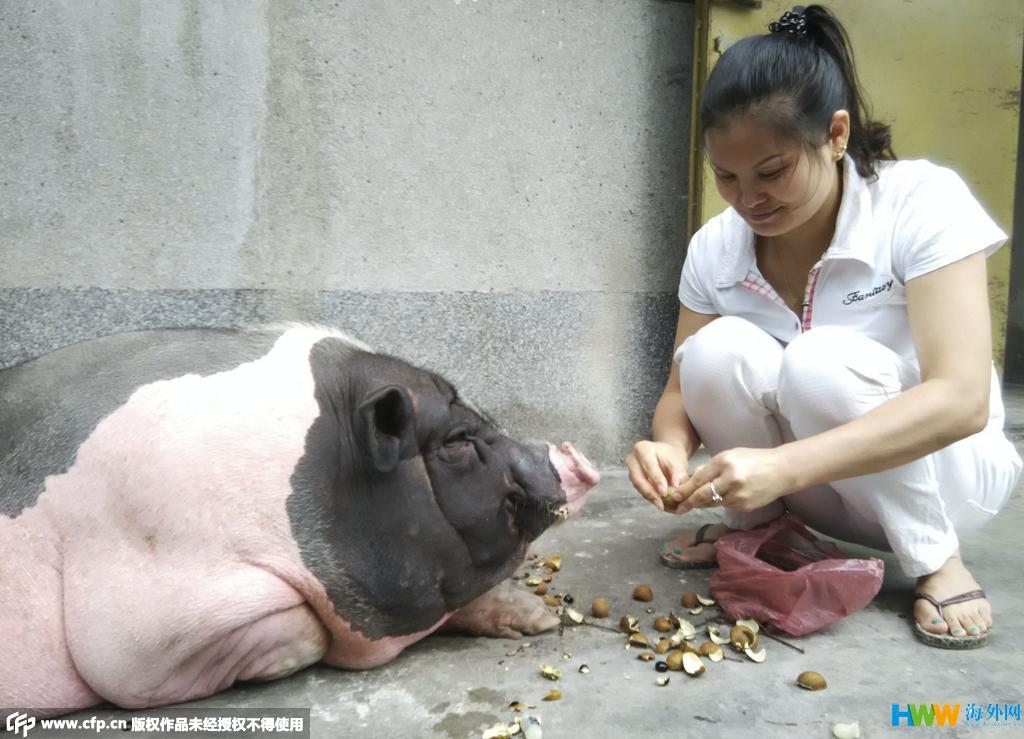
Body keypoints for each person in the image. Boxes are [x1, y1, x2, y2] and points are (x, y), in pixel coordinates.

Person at [625, 4, 1021, 649]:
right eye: (725, 175)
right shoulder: (715, 246)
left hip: (946, 479)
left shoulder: (920, 202)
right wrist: (669, 450)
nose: (747, 198)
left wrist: (783, 466)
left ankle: (934, 558)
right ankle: (761, 530)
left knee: (821, 360)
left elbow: (962, 400)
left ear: (835, 135)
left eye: (772, 172)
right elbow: (681, 386)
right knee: (714, 348)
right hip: (813, 489)